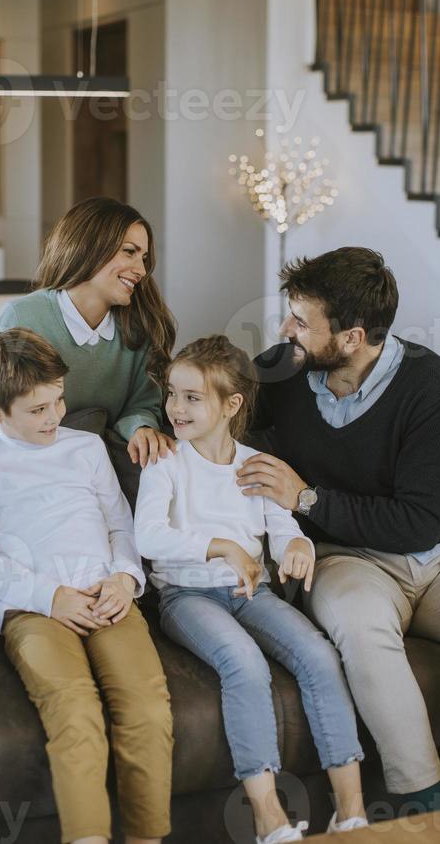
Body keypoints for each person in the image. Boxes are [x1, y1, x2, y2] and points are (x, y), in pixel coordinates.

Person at [238, 246, 440, 811]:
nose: (287, 330)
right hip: (344, 558)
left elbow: (416, 523)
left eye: (302, 322)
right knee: (362, 630)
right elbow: (212, 406)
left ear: (352, 338)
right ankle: (422, 806)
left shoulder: (434, 389)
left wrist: (306, 496)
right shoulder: (283, 370)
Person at [135, 335, 367, 844]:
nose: (175, 407)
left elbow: (281, 527)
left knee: (319, 655)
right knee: (244, 664)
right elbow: (148, 537)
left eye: (192, 397)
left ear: (231, 405)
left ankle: (351, 813)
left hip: (251, 594)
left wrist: (297, 546)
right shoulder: (165, 462)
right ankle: (268, 818)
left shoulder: (254, 462)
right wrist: (221, 546)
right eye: (173, 394)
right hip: (187, 596)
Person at [0, 326, 173, 844]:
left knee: (145, 704)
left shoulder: (88, 447)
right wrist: (50, 597)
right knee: (75, 711)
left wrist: (124, 577)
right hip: (33, 609)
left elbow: (121, 524)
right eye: (36, 410)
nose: (53, 417)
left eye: (58, 401)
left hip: (106, 595)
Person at [0, 197, 177, 515]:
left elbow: (140, 404)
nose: (142, 270)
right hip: (32, 478)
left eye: (144, 257)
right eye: (129, 252)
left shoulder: (139, 325)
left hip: (97, 478)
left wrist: (141, 428)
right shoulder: (23, 316)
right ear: (89, 247)